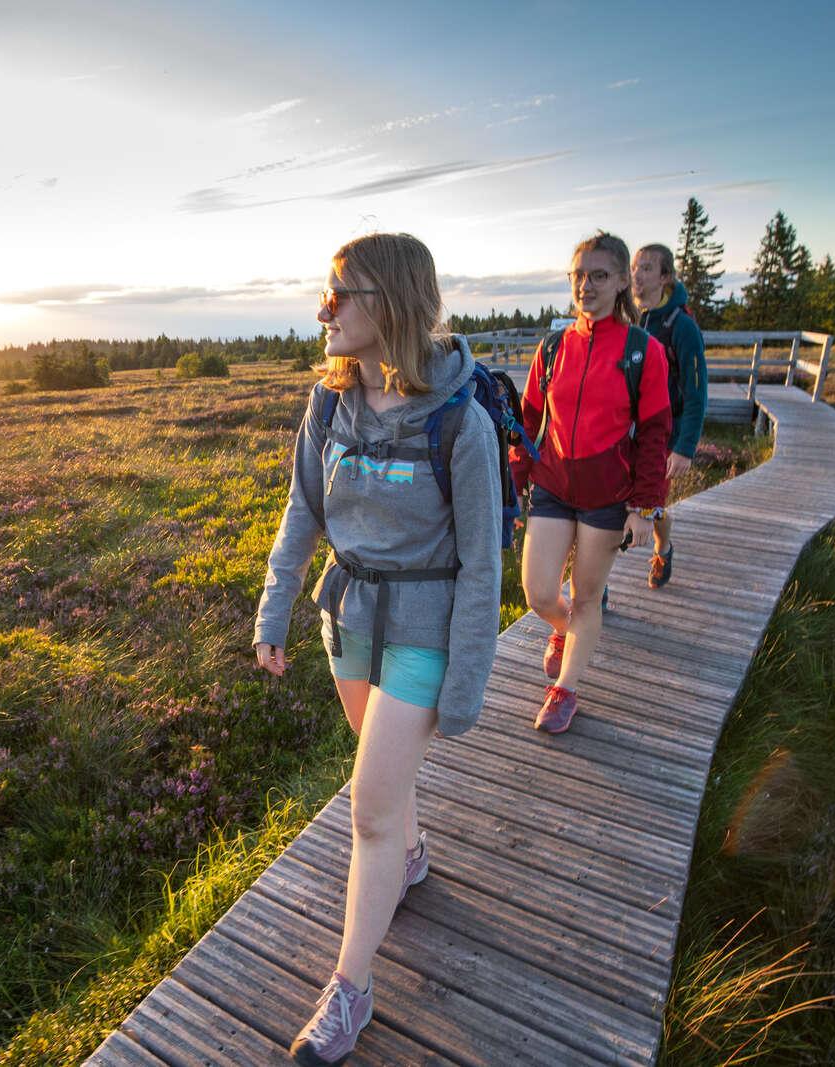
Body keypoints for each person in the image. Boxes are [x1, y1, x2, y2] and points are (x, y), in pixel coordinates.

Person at [253, 232, 502, 1066]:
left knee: (365, 808)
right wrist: (274, 608)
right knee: (384, 785)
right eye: (325, 291)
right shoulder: (328, 404)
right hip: (348, 621)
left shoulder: (459, 421)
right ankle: (415, 852)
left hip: (424, 632)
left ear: (390, 303)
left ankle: (351, 987)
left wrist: (465, 684)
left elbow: (482, 564)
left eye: (341, 293)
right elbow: (302, 512)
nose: (324, 308)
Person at [509, 232, 671, 733]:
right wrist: (510, 485)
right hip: (553, 484)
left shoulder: (643, 352)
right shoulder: (554, 347)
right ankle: (565, 632)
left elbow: (655, 433)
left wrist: (644, 508)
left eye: (599, 276)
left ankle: (566, 691)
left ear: (623, 281)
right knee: (537, 592)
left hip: (607, 497)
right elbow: (527, 423)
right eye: (579, 275)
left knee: (585, 595)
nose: (586, 286)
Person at [631, 242, 708, 588]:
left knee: (653, 501)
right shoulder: (631, 318)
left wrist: (685, 447)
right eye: (634, 267)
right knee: (608, 501)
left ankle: (663, 547)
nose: (637, 274)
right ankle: (595, 587)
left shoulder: (682, 326)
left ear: (665, 277)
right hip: (627, 430)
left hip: (666, 432)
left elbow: (696, 390)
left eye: (647, 268)